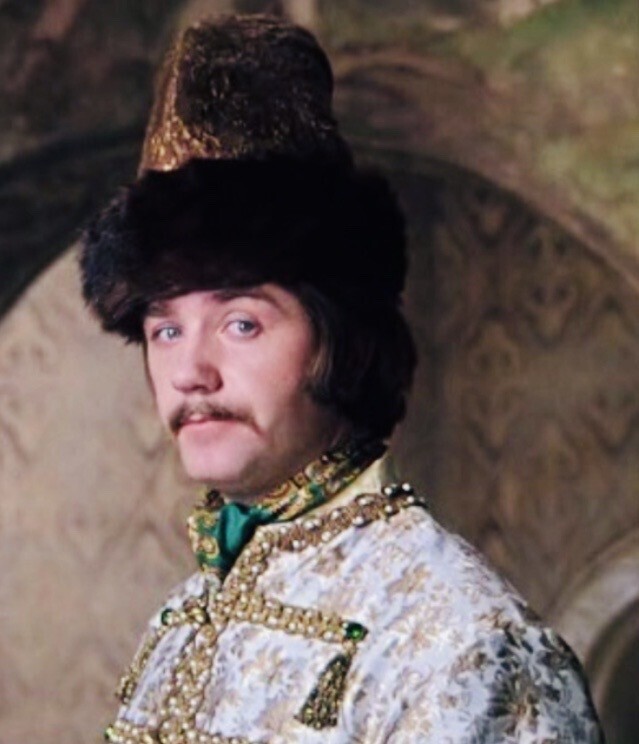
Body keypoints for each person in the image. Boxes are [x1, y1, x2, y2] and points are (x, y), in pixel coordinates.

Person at [80, 14, 604, 744]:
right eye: (165, 330)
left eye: (241, 324)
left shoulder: (464, 642)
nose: (190, 373)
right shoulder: (181, 620)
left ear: (339, 339)